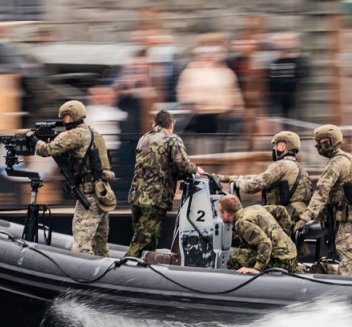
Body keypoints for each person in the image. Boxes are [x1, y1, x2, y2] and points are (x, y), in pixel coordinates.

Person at [32, 100, 116, 257]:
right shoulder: (94, 133)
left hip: (90, 196)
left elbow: (46, 150)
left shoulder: (74, 135)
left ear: (70, 118)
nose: (64, 121)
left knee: (81, 245)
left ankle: (85, 276)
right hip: (102, 192)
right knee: (100, 245)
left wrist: (33, 139)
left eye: (65, 118)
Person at [293, 125, 352, 277]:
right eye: (317, 142)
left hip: (348, 219)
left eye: (322, 142)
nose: (318, 146)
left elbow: (320, 194)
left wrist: (304, 219)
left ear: (333, 141)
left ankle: (350, 287)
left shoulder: (336, 163)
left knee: (347, 256)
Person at [126, 109, 204, 257]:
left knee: (142, 238)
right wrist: (196, 170)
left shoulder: (144, 138)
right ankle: (126, 268)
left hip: (137, 196)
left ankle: (143, 271)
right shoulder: (172, 139)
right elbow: (183, 165)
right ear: (171, 124)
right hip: (155, 198)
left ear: (154, 124)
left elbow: (159, 165)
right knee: (142, 242)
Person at [217, 130, 311, 233]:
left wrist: (238, 183)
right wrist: (229, 178)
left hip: (286, 217)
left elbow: (253, 186)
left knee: (245, 219)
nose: (274, 148)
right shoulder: (299, 168)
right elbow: (258, 177)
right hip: (298, 216)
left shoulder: (281, 165)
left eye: (276, 145)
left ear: (283, 147)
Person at [217, 195, 298, 274]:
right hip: (291, 256)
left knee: (231, 256)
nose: (219, 216)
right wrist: (286, 237)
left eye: (220, 212)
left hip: (280, 262)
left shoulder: (241, 223)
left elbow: (265, 243)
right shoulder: (256, 208)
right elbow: (280, 210)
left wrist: (257, 268)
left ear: (226, 214)